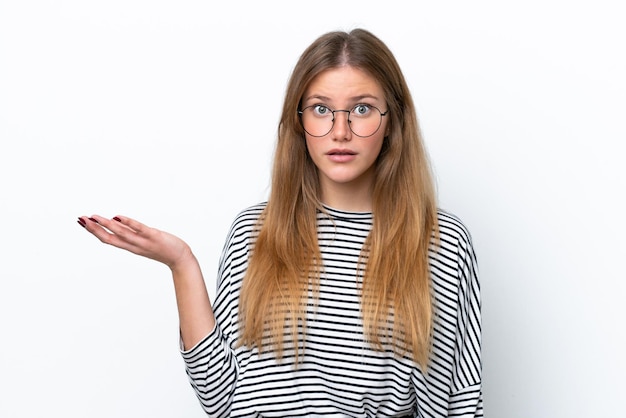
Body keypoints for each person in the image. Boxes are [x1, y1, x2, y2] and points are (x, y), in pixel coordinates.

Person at [78, 28, 482, 418]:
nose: (340, 132)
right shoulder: (254, 232)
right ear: (299, 121)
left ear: (393, 120)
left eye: (361, 109)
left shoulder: (440, 243)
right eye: (322, 109)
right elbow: (222, 401)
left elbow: (458, 402)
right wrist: (181, 263)